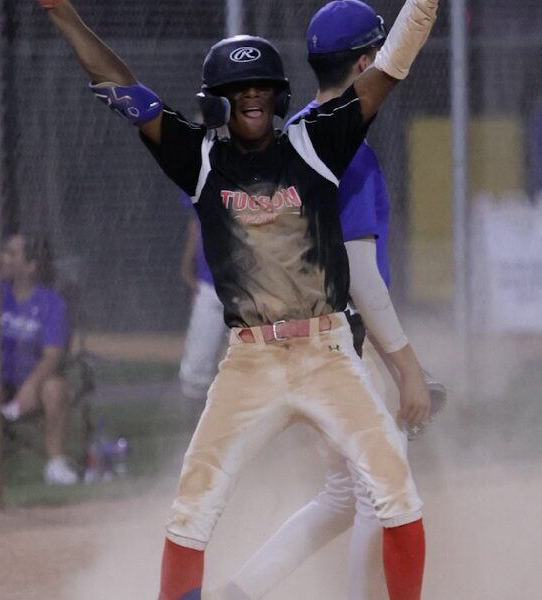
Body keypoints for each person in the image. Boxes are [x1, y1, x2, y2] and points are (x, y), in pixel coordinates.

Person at [37, 0, 440, 597]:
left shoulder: (314, 143)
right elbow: (119, 87)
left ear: (279, 97)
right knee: (192, 508)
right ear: (215, 101)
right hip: (251, 362)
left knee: (396, 493)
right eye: (236, 89)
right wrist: (62, 14)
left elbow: (390, 67)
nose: (251, 96)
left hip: (327, 354)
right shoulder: (199, 158)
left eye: (261, 87)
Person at [219, 3, 439, 598]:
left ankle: (240, 592)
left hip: (289, 336)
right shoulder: (349, 152)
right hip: (340, 339)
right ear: (366, 63)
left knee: (345, 493)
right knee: (380, 494)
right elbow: (361, 276)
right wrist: (406, 368)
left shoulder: (292, 135)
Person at [0, 233, 78, 488]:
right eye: (3, 252)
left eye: (11, 254)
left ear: (31, 266)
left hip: (33, 383)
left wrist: (32, 385)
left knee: (55, 389)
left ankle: (56, 463)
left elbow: (52, 354)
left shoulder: (50, 302)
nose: (2, 258)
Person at [177, 191, 228, 412]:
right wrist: (187, 266)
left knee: (260, 368)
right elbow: (196, 221)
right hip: (210, 284)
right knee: (195, 375)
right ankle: (199, 431)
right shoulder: (201, 171)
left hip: (255, 285)